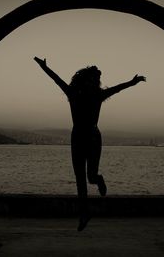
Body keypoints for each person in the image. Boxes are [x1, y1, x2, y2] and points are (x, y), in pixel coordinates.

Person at [34, 57, 146, 231]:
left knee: (91, 177)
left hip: (93, 137)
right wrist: (44, 67)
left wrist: (132, 82)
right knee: (80, 179)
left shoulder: (98, 95)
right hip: (77, 137)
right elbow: (56, 79)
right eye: (92, 79)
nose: (94, 83)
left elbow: (117, 89)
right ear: (84, 80)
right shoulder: (72, 93)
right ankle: (83, 214)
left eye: (96, 80)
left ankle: (98, 179)